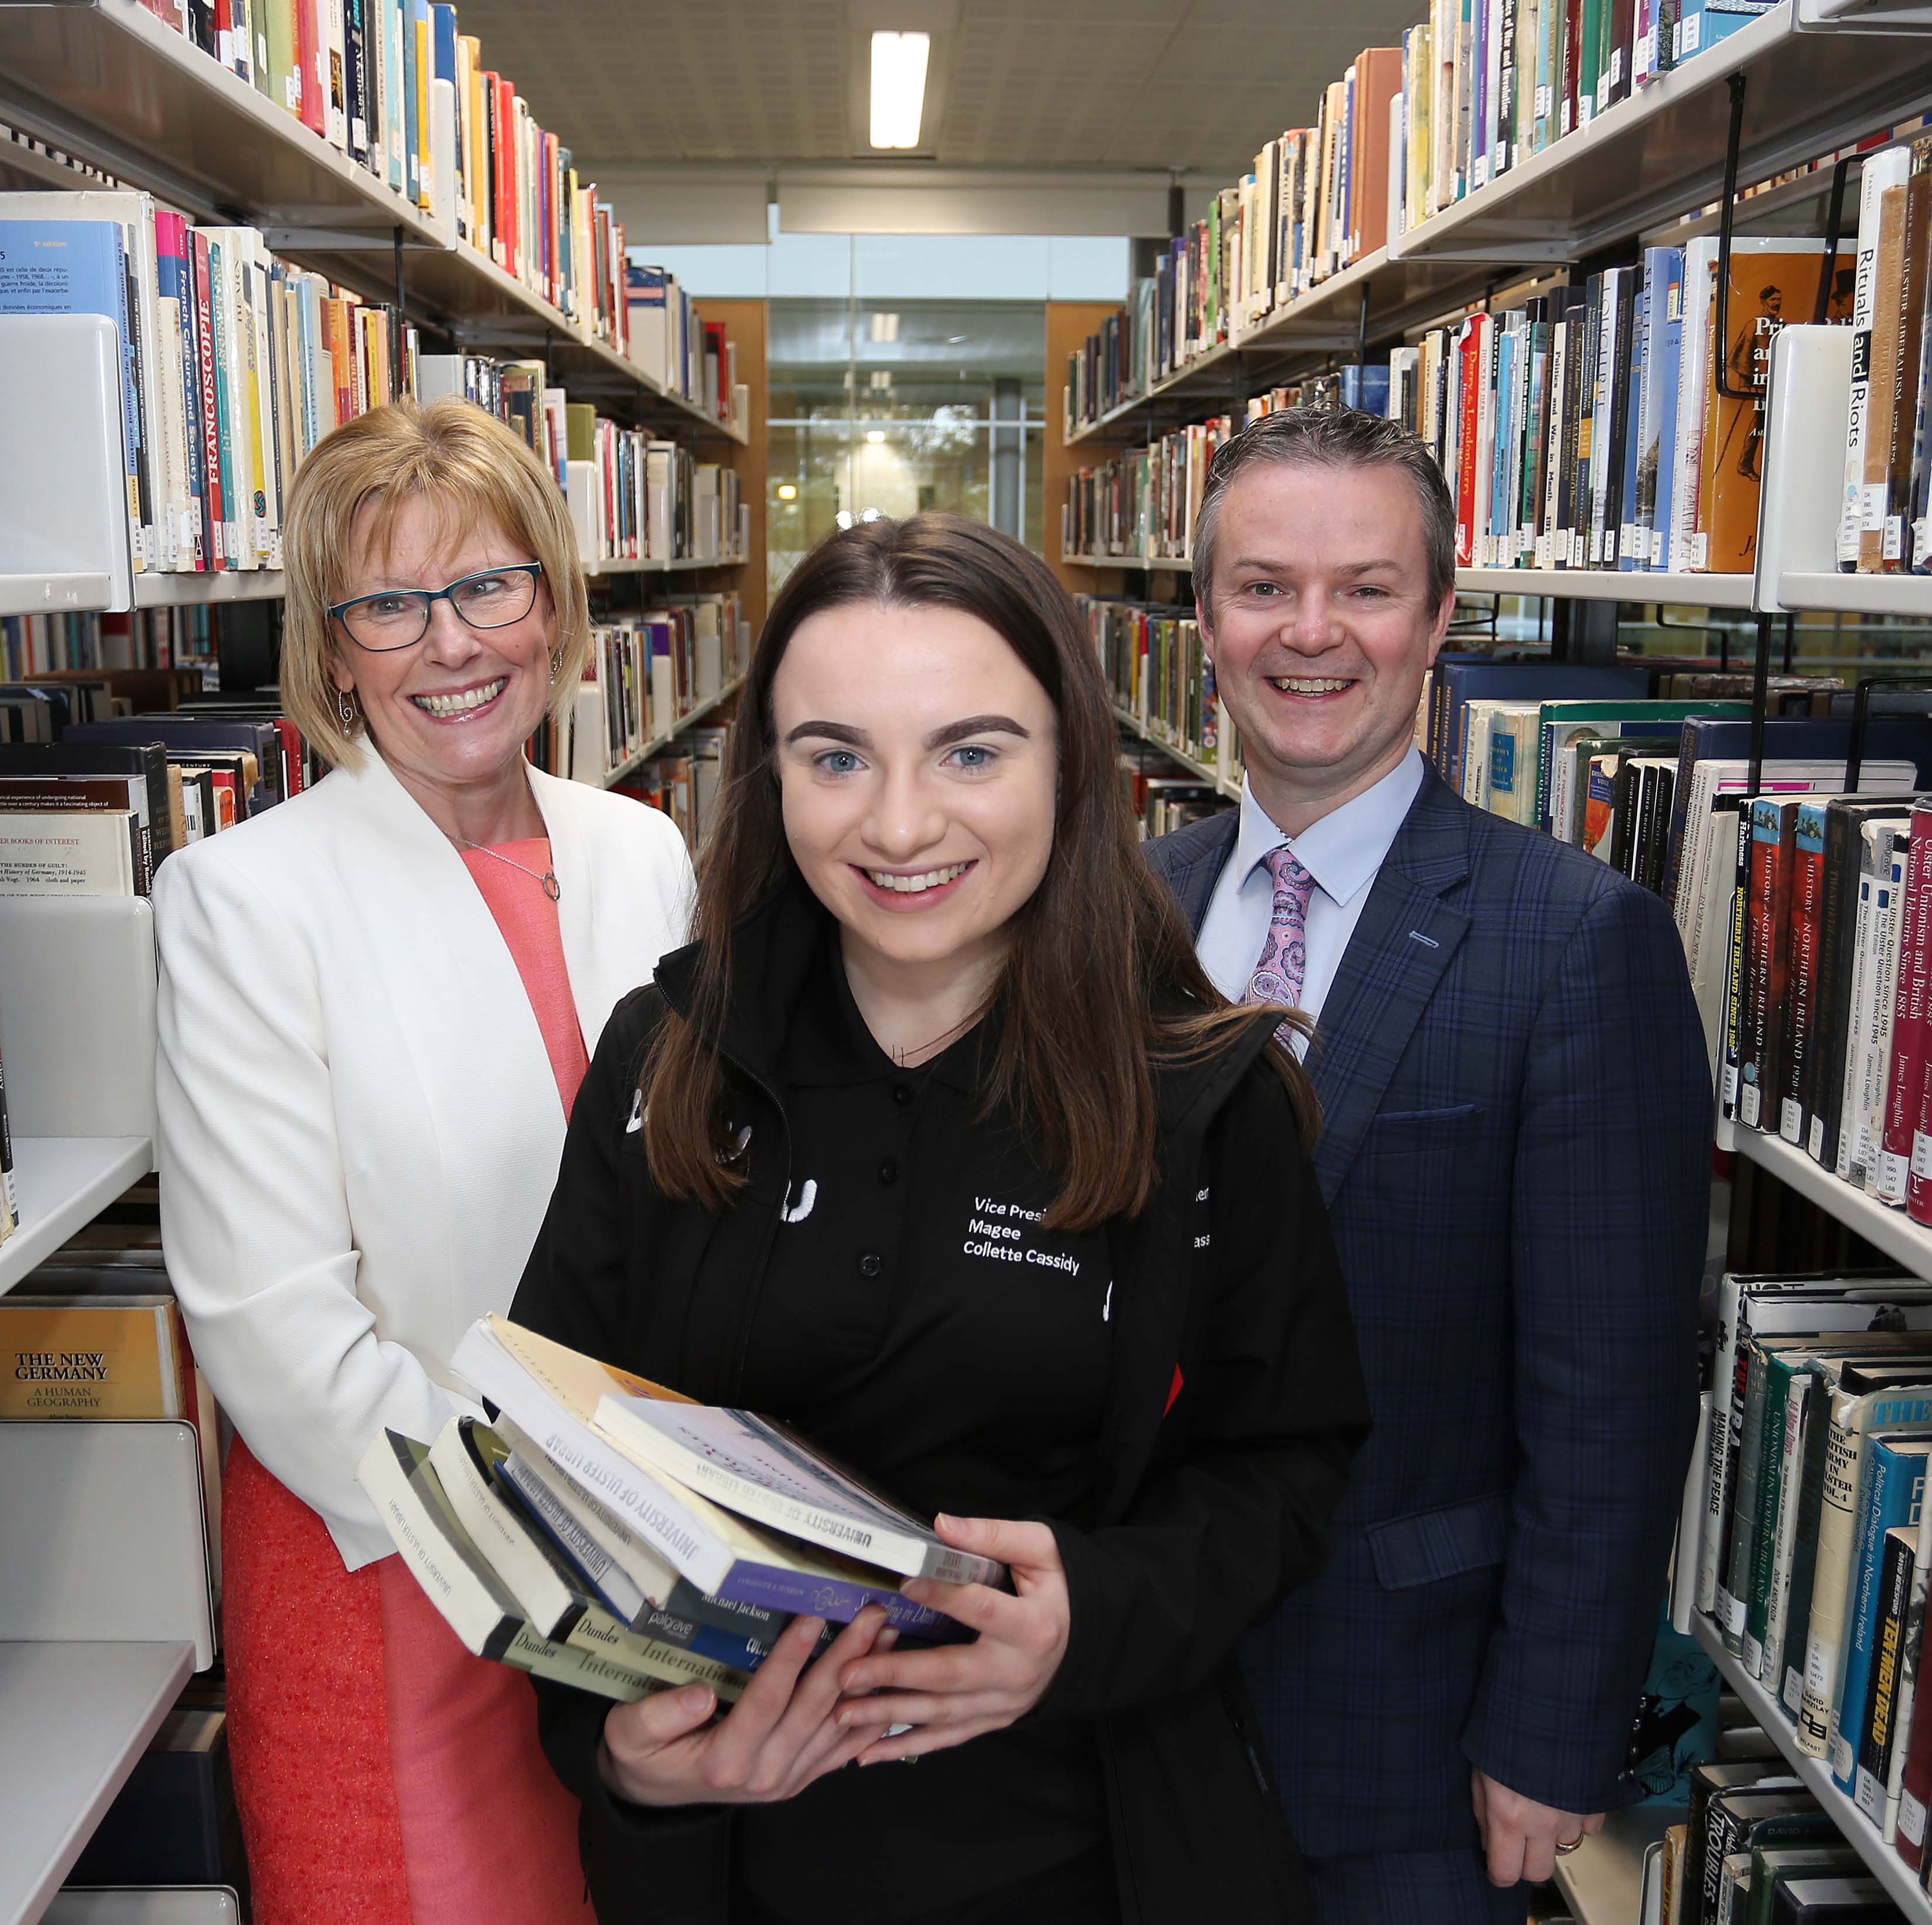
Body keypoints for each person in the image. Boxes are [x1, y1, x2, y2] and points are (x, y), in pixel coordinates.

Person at [507, 513, 1369, 1925]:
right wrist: (627, 1760)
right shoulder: (665, 1056)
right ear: (768, 772)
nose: (900, 824)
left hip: (1086, 1852)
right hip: (734, 1865)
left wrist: (1092, 1609)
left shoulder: (1205, 1097)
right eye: (836, 755)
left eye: (971, 750)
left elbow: (1288, 1459)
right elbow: (550, 1460)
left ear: (1073, 762)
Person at [1147, 409, 1709, 1925]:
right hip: (1131, 1713)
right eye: (1261, 587)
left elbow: (1613, 1396)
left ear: (1438, 618)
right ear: (1201, 620)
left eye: (1365, 589)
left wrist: (1547, 1731)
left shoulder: (1575, 941)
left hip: (1413, 1745)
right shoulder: (1127, 906)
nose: (1309, 634)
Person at [154, 401, 695, 1925]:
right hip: (392, 1559)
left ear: (553, 609)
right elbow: (276, 1335)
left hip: (644, 1565)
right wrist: (561, 1551)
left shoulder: (640, 852)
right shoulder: (241, 901)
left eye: (488, 588)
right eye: (388, 605)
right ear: (330, 656)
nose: (450, 643)